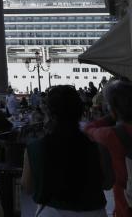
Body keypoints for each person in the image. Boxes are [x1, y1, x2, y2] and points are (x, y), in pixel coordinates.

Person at [23, 86, 112, 217]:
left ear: (49, 114)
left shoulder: (34, 149)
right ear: (80, 112)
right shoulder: (99, 148)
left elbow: (28, 187)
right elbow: (108, 183)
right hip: (93, 212)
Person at [85, 80, 132, 217]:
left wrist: (112, 116)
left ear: (113, 108)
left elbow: (89, 129)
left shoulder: (111, 135)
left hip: (126, 208)